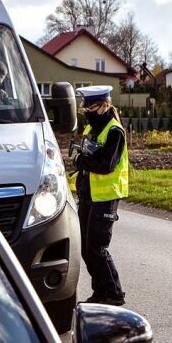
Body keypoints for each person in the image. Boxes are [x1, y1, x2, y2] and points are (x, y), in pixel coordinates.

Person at [73, 85, 129, 306]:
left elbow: (106, 164)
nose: (86, 111)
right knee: (86, 248)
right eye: (84, 107)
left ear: (104, 105)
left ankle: (114, 294)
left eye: (90, 107)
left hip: (105, 198)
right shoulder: (91, 130)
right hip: (88, 195)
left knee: (97, 248)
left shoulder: (114, 131)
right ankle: (100, 292)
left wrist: (82, 161)